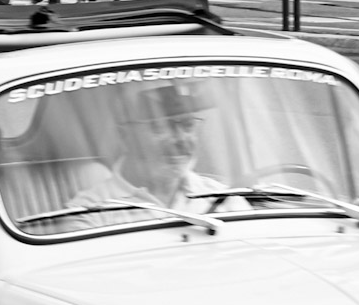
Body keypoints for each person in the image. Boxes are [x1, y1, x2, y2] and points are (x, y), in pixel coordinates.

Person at [58, 84, 230, 231]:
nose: (180, 139)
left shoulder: (223, 198)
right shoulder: (88, 214)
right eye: (161, 127)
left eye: (188, 125)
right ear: (125, 136)